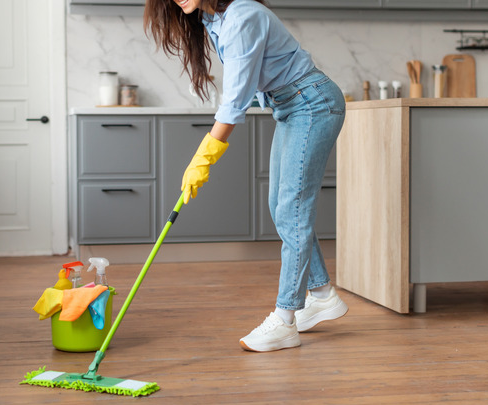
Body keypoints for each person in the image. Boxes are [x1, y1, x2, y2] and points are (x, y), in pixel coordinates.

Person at [144, 0, 348, 352]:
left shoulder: (242, 16)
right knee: (281, 206)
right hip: (292, 106)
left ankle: (285, 319)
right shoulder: (212, 18)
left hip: (312, 103)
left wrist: (204, 157)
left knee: (292, 210)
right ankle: (322, 293)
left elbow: (234, 101)